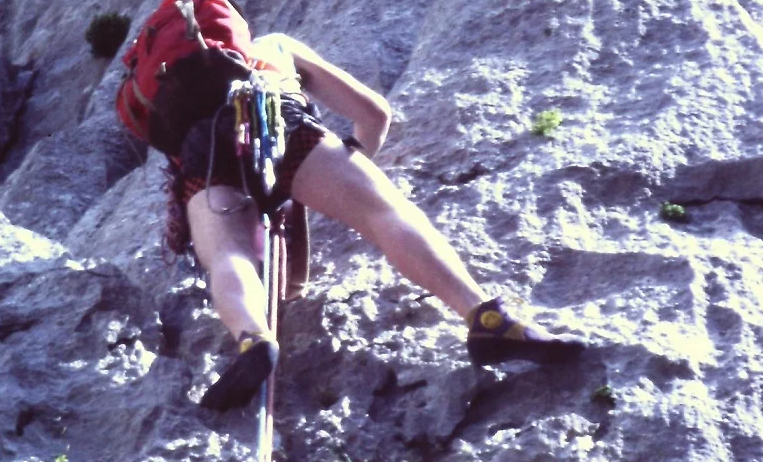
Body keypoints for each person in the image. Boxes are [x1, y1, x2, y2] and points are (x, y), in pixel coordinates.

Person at [176, 28, 584, 410]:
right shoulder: (271, 46)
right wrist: (346, 169)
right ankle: (487, 319)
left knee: (229, 254)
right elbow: (374, 114)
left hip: (200, 151)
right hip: (274, 118)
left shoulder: (183, 90)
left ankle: (252, 339)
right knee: (386, 214)